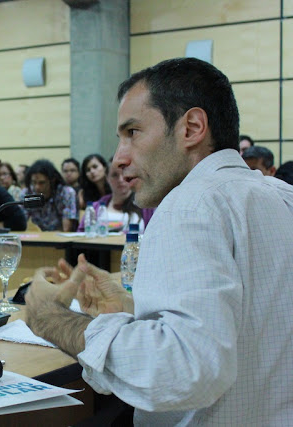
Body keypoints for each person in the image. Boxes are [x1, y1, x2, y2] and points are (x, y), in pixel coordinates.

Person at [24, 57, 293, 425]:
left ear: (192, 128)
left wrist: (53, 319)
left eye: (133, 132)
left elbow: (186, 368)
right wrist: (135, 311)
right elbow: (247, 324)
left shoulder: (188, 205)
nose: (118, 158)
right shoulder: (281, 195)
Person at [77, 162, 154, 233]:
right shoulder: (95, 207)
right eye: (114, 175)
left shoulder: (146, 206)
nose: (120, 180)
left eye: (125, 174)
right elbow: (81, 235)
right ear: (107, 178)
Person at [23, 159, 77, 231]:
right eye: (34, 182)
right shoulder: (27, 193)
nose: (37, 187)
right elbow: (21, 223)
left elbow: (66, 229)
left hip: (59, 236)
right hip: (38, 235)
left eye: (42, 183)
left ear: (52, 180)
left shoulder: (66, 193)